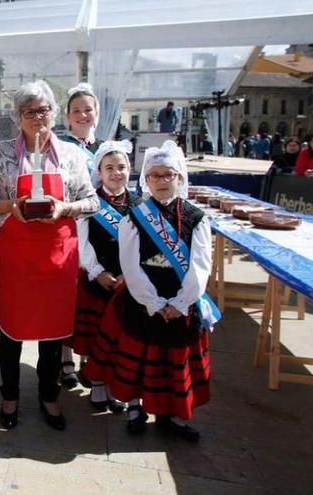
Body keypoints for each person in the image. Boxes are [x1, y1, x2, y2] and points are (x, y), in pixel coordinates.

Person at [0, 80, 99, 431]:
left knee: (52, 331)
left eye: (43, 110)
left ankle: (49, 396)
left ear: (53, 113)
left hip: (56, 256)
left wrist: (65, 208)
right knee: (11, 330)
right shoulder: (1, 154)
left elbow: (93, 202)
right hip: (14, 255)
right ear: (18, 117)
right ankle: (10, 397)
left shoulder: (73, 156)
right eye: (29, 112)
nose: (37, 118)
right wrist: (10, 207)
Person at [86, 141, 218, 442]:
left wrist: (181, 302)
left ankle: (171, 415)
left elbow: (201, 265)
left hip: (182, 305)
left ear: (179, 178)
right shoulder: (135, 217)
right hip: (143, 302)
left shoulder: (197, 218)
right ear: (145, 179)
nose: (161, 181)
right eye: (155, 175)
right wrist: (154, 302)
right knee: (140, 359)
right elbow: (130, 265)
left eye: (167, 174)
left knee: (172, 361)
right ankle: (135, 408)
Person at [72, 140, 140, 413]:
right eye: (109, 168)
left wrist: (129, 275)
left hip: (128, 285)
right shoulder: (90, 202)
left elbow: (142, 245)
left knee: (119, 338)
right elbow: (81, 242)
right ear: (98, 171)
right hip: (96, 281)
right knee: (96, 337)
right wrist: (97, 271)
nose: (116, 173)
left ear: (130, 170)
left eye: (122, 167)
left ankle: (114, 385)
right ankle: (98, 385)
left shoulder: (138, 203)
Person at [59, 82, 101, 389]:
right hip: (72, 231)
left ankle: (91, 358)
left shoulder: (107, 148)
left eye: (88, 109)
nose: (82, 115)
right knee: (69, 298)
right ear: (67, 116)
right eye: (77, 111)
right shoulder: (60, 148)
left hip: (100, 233)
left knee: (93, 299)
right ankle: (65, 360)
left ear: (96, 113)